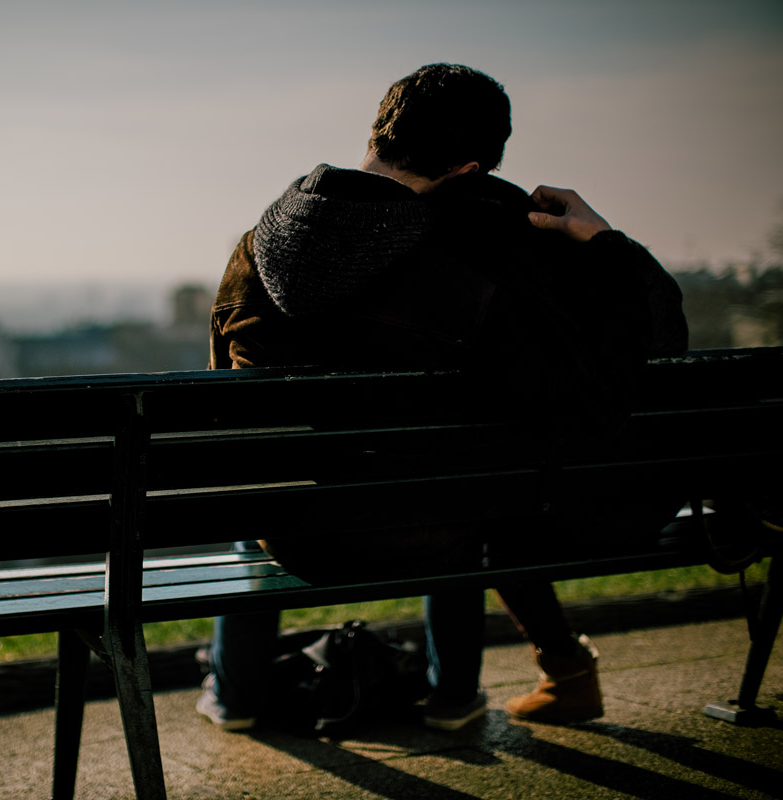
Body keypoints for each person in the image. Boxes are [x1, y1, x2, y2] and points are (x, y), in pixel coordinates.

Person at [197, 63, 689, 732]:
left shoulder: (258, 247)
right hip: (434, 533)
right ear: (469, 170)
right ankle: (454, 695)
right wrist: (604, 245)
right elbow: (614, 376)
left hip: (294, 535)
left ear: (377, 133)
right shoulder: (475, 259)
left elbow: (227, 401)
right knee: (463, 486)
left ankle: (235, 698)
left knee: (265, 487)